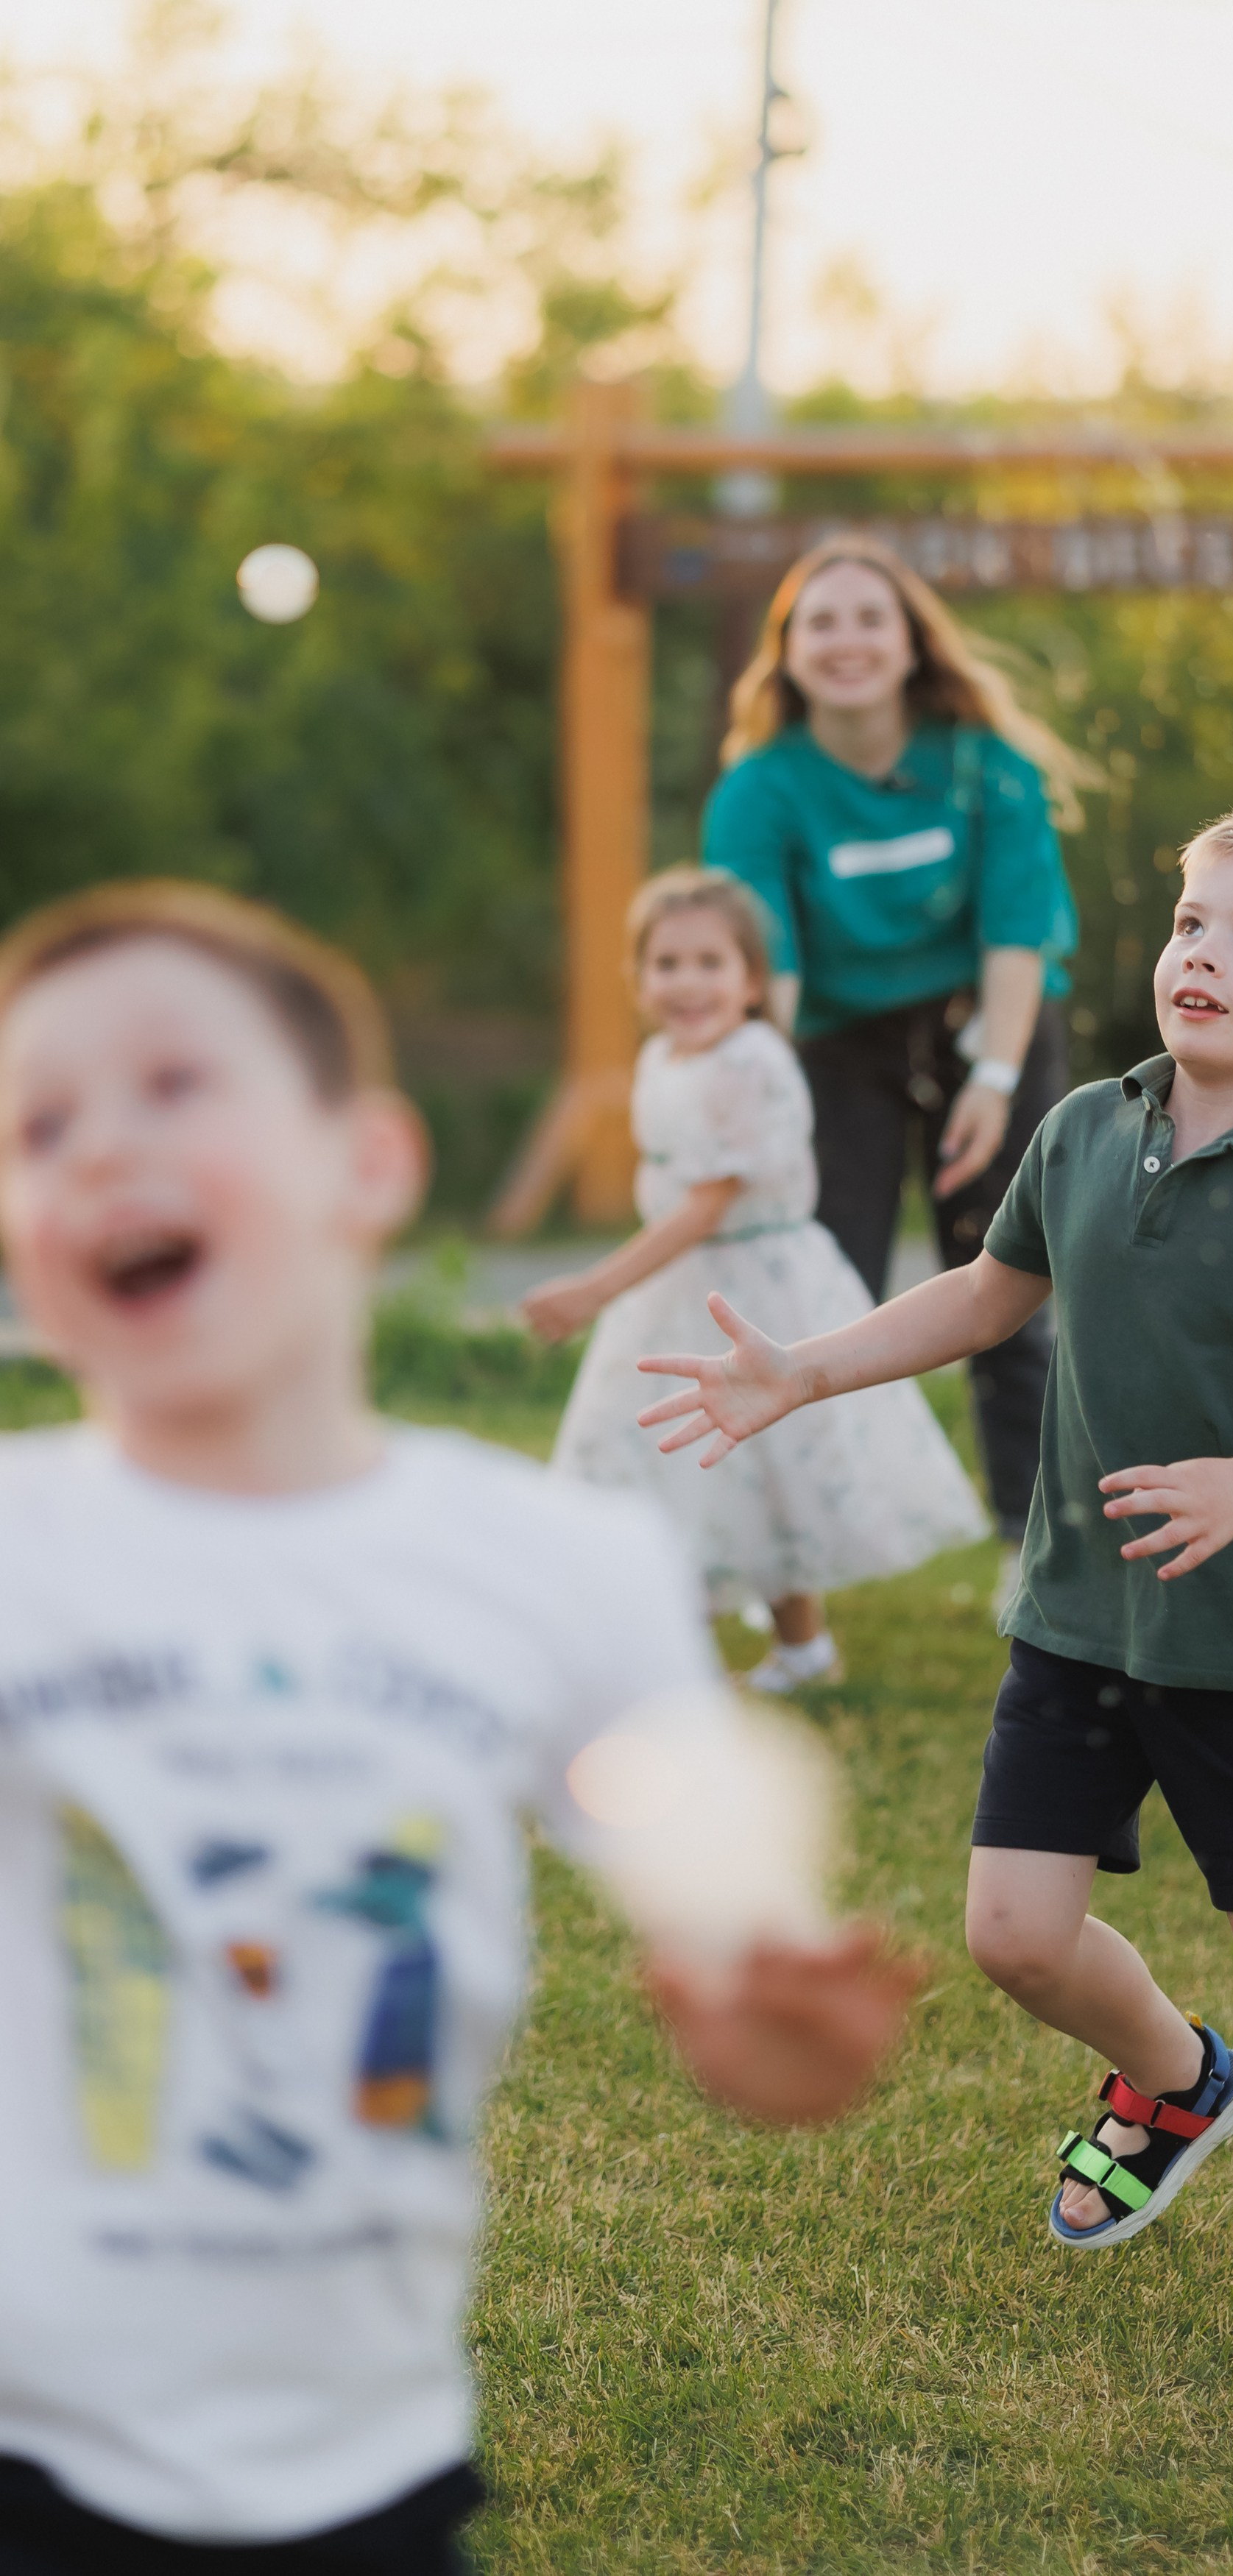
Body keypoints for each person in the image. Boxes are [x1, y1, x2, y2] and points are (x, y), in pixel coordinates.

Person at [0, 880, 915, 2570]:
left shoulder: (554, 1566)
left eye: (174, 1085)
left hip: (374, 2466)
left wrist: (761, 1999)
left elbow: (702, 1852)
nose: (104, 1146)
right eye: (40, 1125)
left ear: (367, 1165)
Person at [638, 799, 1233, 2462]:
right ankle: (1177, 2081)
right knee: (1015, 1938)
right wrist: (804, 1371)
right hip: (1074, 1625)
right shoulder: (1087, 1129)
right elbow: (988, 1295)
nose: (1200, 953)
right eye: (1189, 922)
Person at [702, 534, 1087, 1598]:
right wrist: (763, 1088)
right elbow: (766, 962)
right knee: (825, 1287)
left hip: (989, 1027)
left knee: (1007, 1282)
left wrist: (993, 1082)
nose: (847, 640)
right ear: (788, 652)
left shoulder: (985, 765)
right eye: (820, 622)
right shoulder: (760, 788)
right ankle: (800, 1570)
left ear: (913, 642)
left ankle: (1031, 1549)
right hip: (836, 1045)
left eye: (869, 617)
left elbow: (1018, 932)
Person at [526, 868, 988, 1695]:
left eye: (711, 962)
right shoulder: (661, 1057)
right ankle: (727, 1653)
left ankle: (774, 1649)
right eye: (667, 963)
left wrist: (595, 1288)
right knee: (685, 1468)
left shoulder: (751, 1061)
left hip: (753, 1289)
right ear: (637, 979)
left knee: (765, 1466)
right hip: (679, 1288)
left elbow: (706, 1205)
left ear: (750, 980)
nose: (688, 982)